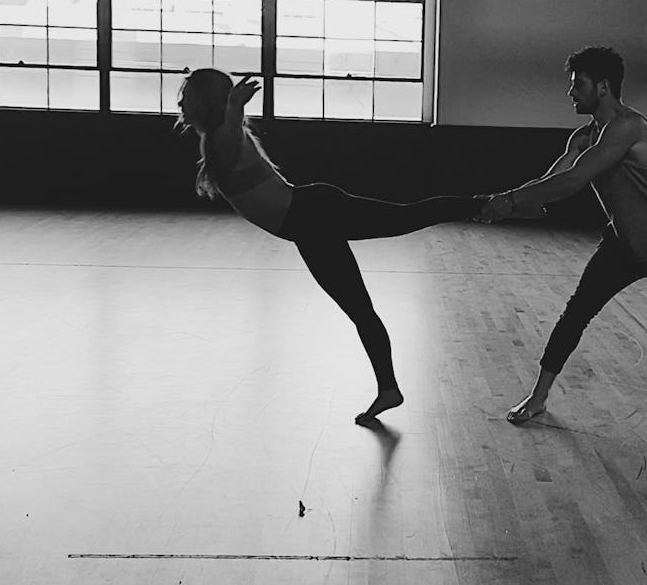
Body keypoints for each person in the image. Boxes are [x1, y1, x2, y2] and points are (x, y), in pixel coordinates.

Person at [176, 68, 487, 426]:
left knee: (405, 223)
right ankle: (388, 389)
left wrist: (233, 107)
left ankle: (491, 204)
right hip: (309, 223)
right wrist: (232, 109)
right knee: (364, 304)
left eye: (187, 95)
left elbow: (228, 134)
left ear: (203, 102)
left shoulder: (222, 136)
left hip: (313, 217)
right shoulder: (217, 139)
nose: (180, 102)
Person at [479, 46, 647, 430]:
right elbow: (554, 179)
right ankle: (538, 398)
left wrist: (509, 201)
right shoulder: (584, 137)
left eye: (578, 85)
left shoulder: (630, 128)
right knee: (575, 315)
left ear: (603, 87)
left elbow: (574, 180)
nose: (571, 93)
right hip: (623, 246)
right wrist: (511, 204)